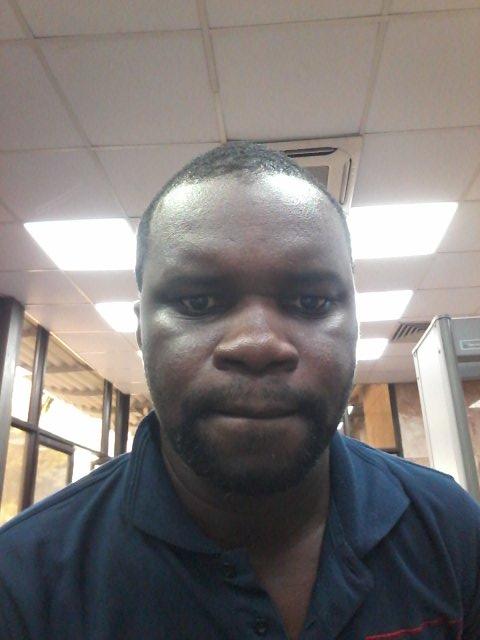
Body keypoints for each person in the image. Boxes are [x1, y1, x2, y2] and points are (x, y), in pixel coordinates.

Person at [0, 142, 479, 640]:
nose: (258, 344)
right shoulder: (22, 583)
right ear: (142, 331)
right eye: (199, 301)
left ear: (355, 326)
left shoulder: (449, 529)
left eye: (312, 301)